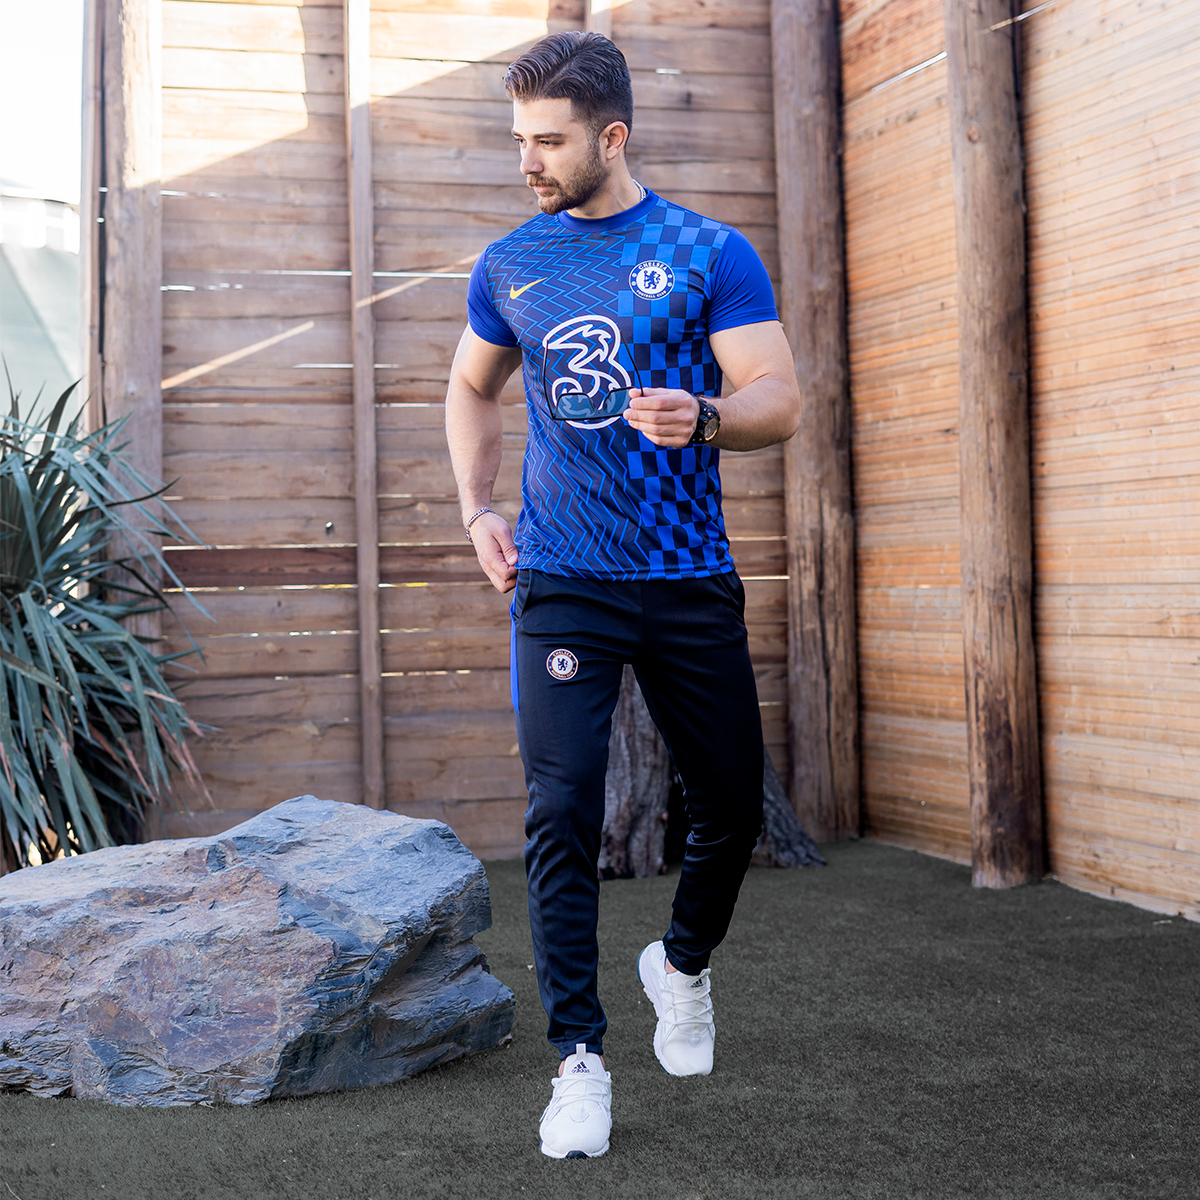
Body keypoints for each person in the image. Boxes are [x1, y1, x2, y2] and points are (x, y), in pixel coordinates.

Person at [444, 30, 801, 1159]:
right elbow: (470, 386)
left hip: (687, 574)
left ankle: (680, 966)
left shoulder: (706, 252)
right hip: (563, 578)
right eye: (519, 139)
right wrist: (477, 509)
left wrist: (708, 416)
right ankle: (579, 1063)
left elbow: (779, 396)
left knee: (730, 805)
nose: (528, 161)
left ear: (612, 137)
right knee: (561, 809)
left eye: (548, 142)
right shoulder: (511, 264)